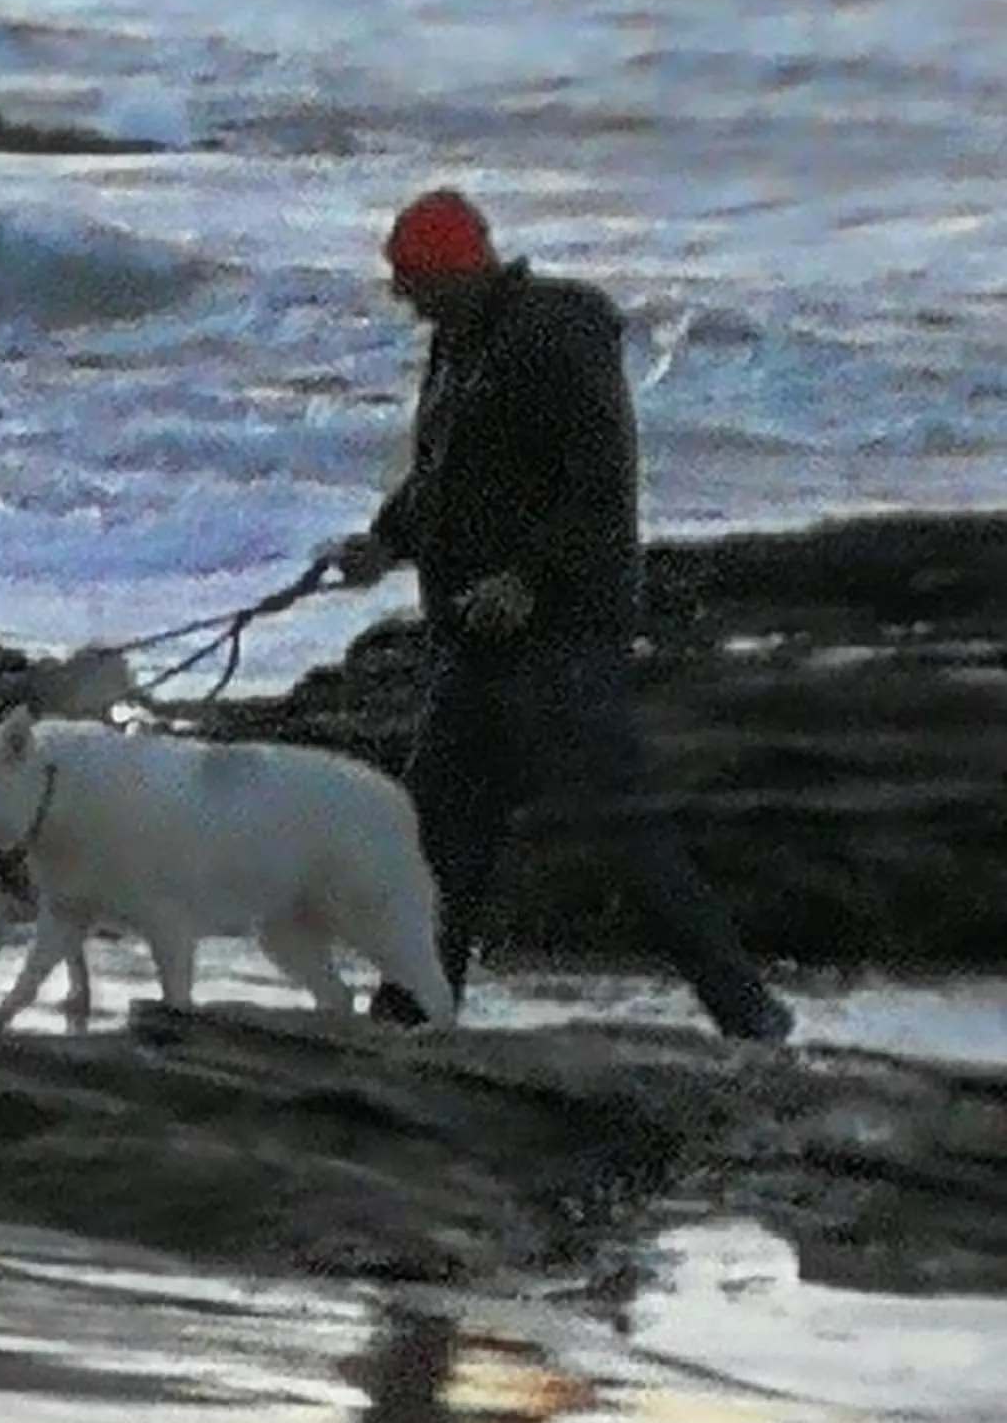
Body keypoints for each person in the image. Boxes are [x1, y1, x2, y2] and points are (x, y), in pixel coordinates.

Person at [330, 186, 793, 1043]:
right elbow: (443, 478)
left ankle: (749, 1012)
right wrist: (381, 545)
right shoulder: (459, 343)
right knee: (436, 836)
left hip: (563, 638)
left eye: (413, 279)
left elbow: (599, 478)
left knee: (623, 832)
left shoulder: (558, 334)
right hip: (474, 638)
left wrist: (531, 580)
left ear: (459, 270)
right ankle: (415, 1012)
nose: (403, 298)